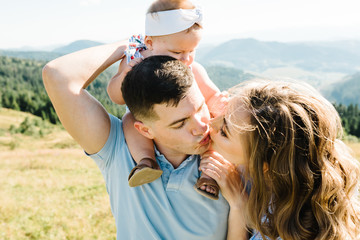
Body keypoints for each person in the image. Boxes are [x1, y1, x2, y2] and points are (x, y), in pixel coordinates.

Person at [42, 43, 230, 239]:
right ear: (145, 130)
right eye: (180, 123)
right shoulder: (116, 148)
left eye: (200, 108)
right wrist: (136, 43)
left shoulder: (230, 152)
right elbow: (57, 75)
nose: (202, 127)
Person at [200, 80, 360, 240]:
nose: (210, 123)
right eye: (224, 112)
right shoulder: (301, 166)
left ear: (264, 165)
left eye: (224, 132)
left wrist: (239, 207)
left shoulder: (293, 232)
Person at [107, 0, 226, 200]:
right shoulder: (135, 59)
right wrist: (126, 74)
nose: (186, 58)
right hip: (149, 119)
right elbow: (116, 97)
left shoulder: (192, 68)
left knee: (212, 128)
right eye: (177, 52)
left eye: (192, 51)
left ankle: (209, 174)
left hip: (193, 125)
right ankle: (146, 161)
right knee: (130, 121)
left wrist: (218, 103)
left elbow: (211, 93)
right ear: (150, 42)